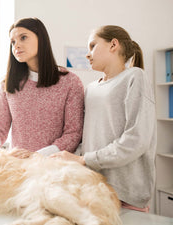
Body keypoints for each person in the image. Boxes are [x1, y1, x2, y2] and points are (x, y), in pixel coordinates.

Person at [50, 25, 156, 212]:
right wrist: (76, 159)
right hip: (93, 189)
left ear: (113, 44)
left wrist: (84, 160)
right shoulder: (91, 89)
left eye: (92, 46)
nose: (87, 54)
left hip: (125, 193)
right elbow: (88, 138)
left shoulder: (135, 77)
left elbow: (136, 140)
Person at [0, 17, 84, 156]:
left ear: (41, 39)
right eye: (13, 42)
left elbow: (73, 134)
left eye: (23, 38)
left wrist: (38, 155)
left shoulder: (70, 82)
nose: (16, 45)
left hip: (55, 169)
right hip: (19, 168)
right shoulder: (8, 84)